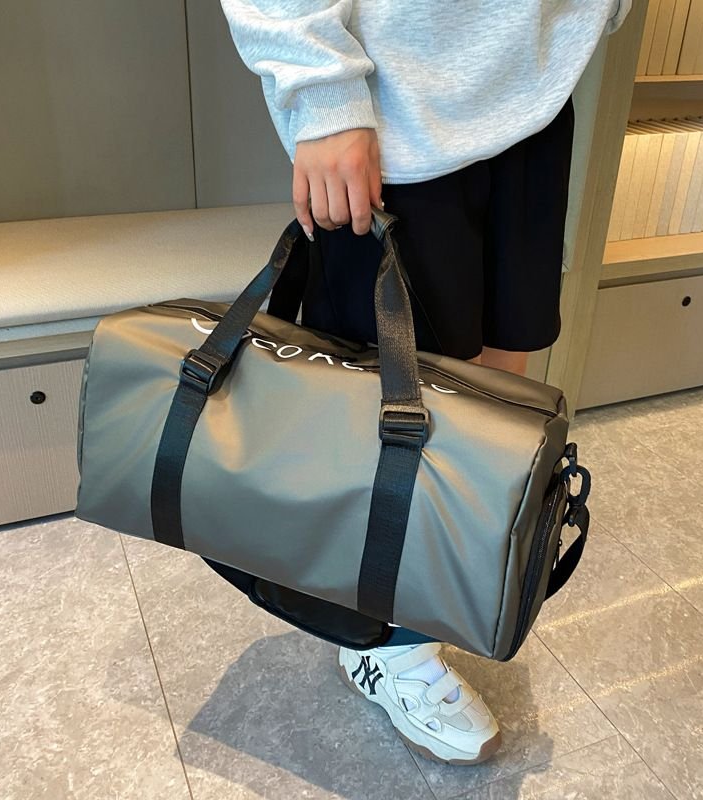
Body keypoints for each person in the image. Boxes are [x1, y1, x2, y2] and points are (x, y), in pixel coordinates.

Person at [216, 0, 633, 766]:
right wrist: (322, 93)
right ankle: (380, 647)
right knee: (396, 423)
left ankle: (419, 616)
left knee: (492, 415)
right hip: (392, 120)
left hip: (537, 97)